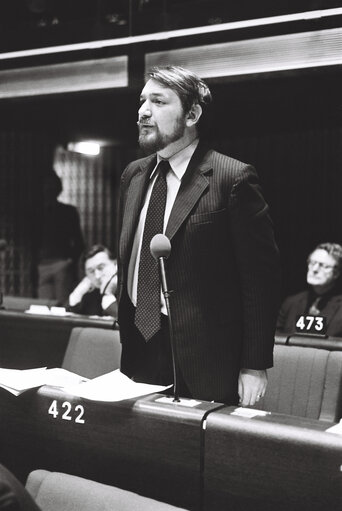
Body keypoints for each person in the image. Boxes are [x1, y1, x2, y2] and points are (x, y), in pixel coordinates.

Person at [117, 65, 280, 406]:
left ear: (192, 114)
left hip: (206, 358)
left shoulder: (231, 178)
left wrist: (254, 365)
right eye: (142, 100)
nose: (143, 111)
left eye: (159, 101)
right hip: (139, 346)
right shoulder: (133, 176)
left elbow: (260, 278)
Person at [36, 171, 84, 305]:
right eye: (46, 187)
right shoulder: (37, 213)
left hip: (61, 263)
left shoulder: (68, 212)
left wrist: (69, 260)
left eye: (51, 187)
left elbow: (79, 241)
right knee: (43, 306)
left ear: (58, 189)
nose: (48, 190)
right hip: (42, 264)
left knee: (62, 305)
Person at [277, 242, 342, 336]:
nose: (314, 269)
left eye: (323, 265)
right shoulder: (291, 303)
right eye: (312, 263)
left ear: (336, 273)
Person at [68, 244, 118, 318]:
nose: (97, 276)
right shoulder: (90, 295)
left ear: (116, 264)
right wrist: (77, 293)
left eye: (101, 268)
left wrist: (108, 297)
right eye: (91, 271)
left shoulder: (131, 288)